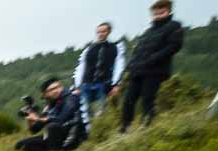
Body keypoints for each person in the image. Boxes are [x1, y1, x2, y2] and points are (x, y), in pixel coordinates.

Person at [115, 1, 185, 131]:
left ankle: (147, 125)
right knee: (128, 100)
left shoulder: (174, 26)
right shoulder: (148, 31)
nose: (158, 16)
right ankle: (125, 127)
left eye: (161, 12)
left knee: (147, 98)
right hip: (138, 70)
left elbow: (174, 46)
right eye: (155, 13)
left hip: (155, 70)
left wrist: (153, 58)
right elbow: (137, 50)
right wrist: (131, 65)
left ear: (168, 11)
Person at [17, 78, 87, 151]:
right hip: (55, 137)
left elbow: (62, 119)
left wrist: (38, 118)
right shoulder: (50, 106)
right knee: (21, 145)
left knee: (53, 126)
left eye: (58, 87)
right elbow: (34, 130)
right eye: (52, 89)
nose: (56, 90)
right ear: (45, 94)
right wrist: (30, 117)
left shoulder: (71, 97)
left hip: (73, 137)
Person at [72, 22, 122, 127]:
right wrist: (77, 86)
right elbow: (80, 67)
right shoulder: (88, 49)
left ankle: (103, 128)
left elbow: (119, 65)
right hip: (86, 84)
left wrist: (116, 84)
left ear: (108, 32)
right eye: (98, 32)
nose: (100, 34)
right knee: (85, 111)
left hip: (103, 84)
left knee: (101, 110)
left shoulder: (115, 47)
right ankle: (88, 131)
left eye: (103, 31)